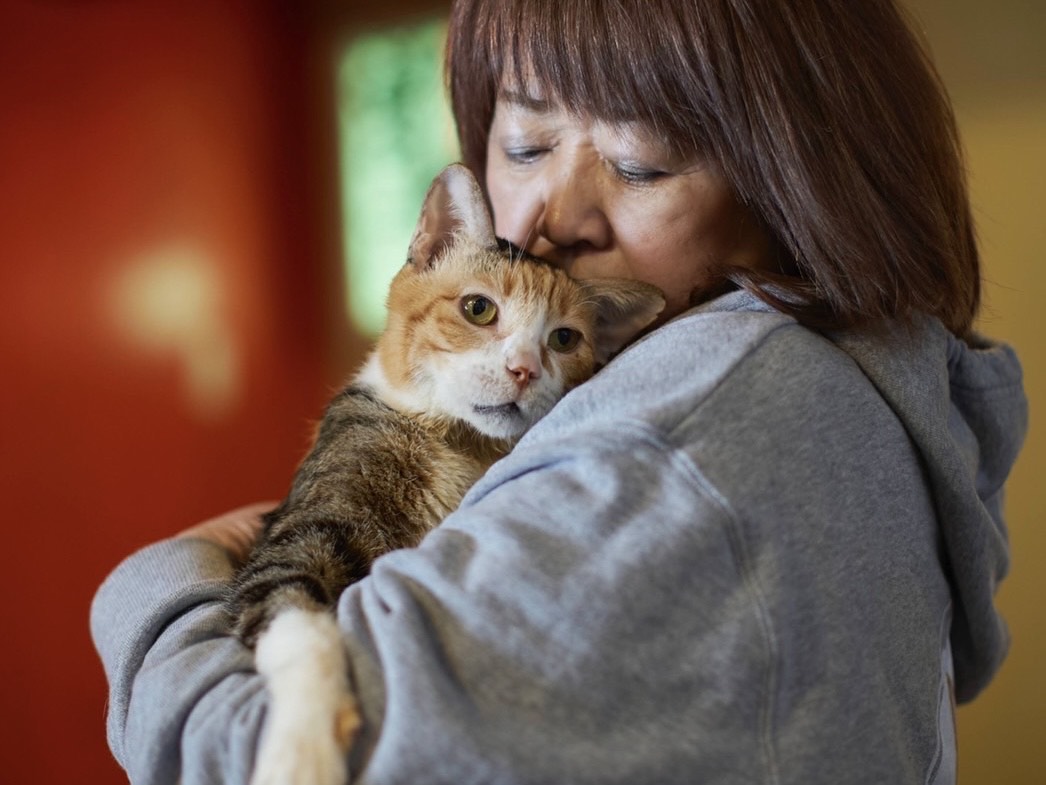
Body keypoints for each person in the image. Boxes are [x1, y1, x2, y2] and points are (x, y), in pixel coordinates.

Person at [90, 0, 1028, 783]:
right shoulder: (853, 386)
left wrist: (158, 583)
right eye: (526, 142)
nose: (552, 219)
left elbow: (254, 757)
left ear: (793, 184)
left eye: (639, 163)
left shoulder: (681, 434)